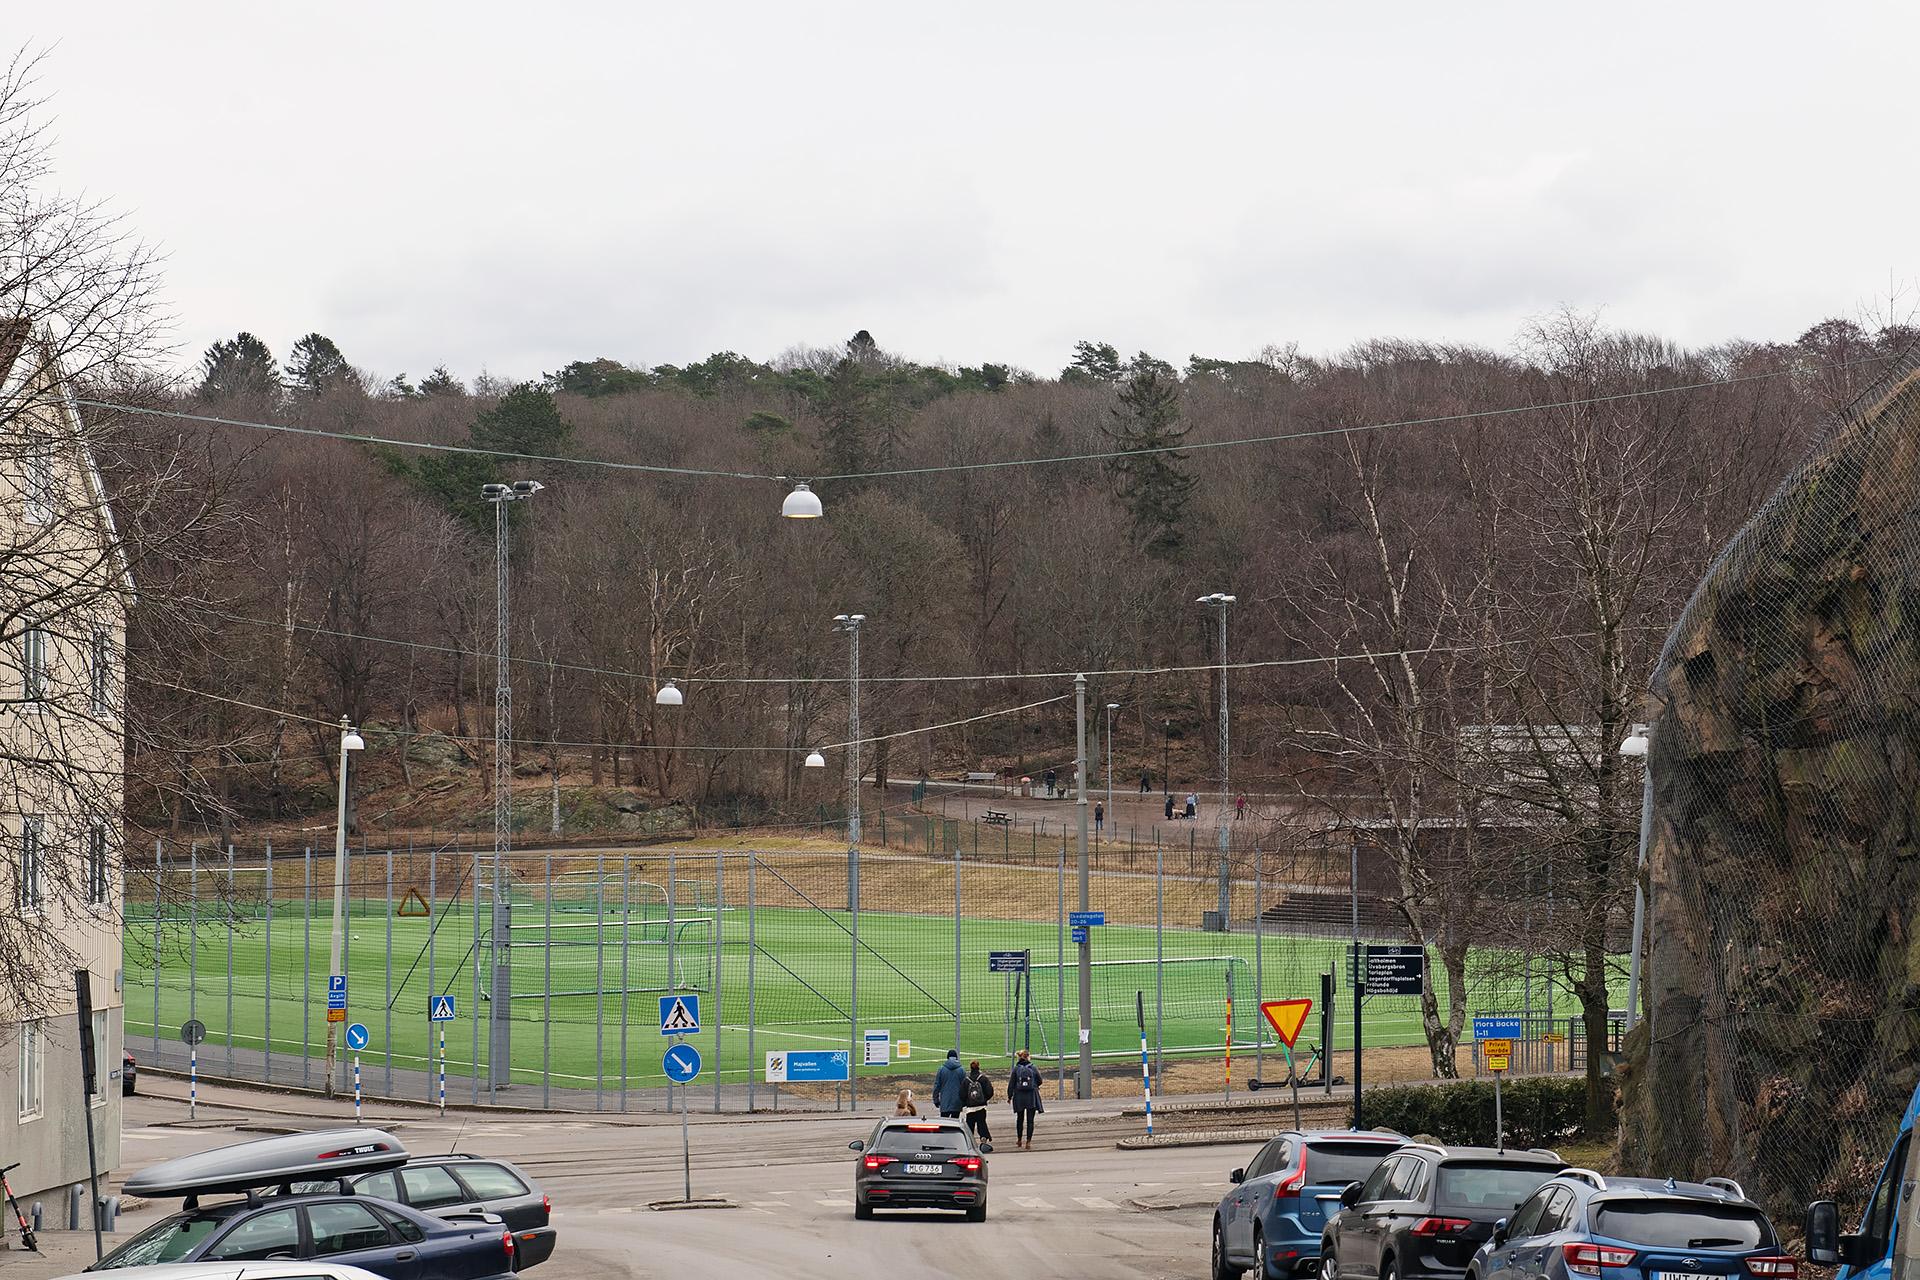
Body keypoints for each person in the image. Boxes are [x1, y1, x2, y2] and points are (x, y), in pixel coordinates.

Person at [1008, 1048, 1044, 1149]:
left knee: (1020, 1119)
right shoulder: (1033, 1068)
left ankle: (1019, 1140)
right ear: (1028, 1057)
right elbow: (1040, 1080)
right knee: (1030, 1120)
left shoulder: (1016, 1069)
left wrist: (1009, 1096)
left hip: (1019, 1096)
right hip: (1031, 1096)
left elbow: (1011, 1084)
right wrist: (1035, 1085)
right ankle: (1028, 1141)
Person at [963, 1060, 995, 1150]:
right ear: (978, 1067)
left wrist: (967, 1102)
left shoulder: (966, 1080)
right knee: (981, 1123)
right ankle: (983, 1139)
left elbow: (962, 1094)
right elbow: (990, 1092)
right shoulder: (983, 1078)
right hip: (981, 1107)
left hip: (970, 1108)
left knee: (970, 1126)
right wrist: (984, 1100)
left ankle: (969, 1142)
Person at [934, 1048, 967, 1118]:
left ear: (947, 1057)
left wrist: (936, 1100)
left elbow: (937, 1086)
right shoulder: (961, 1070)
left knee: (944, 1124)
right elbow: (965, 1087)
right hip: (957, 1102)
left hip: (945, 1102)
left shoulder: (941, 1069)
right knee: (954, 1124)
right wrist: (964, 1101)